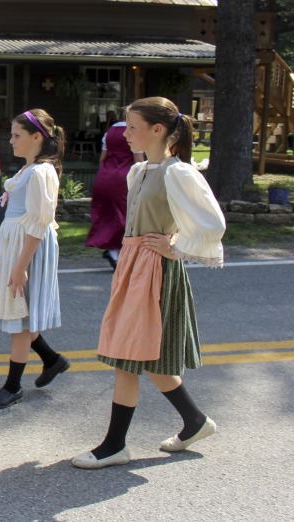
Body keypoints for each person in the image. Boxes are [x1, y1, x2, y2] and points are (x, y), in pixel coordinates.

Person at [72, 96, 226, 469]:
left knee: (128, 355)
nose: (126, 133)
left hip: (155, 269)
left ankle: (115, 445)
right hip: (134, 264)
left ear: (158, 130)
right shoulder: (139, 171)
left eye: (133, 127)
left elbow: (214, 224)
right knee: (144, 354)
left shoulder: (179, 172)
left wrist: (175, 246)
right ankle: (194, 421)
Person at [0, 109, 70, 409]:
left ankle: (13, 386)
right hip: (19, 246)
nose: (11, 141)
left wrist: (21, 267)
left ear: (37, 137)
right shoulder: (28, 170)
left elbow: (38, 223)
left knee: (20, 320)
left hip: (27, 249)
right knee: (21, 313)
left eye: (17, 135)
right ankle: (52, 359)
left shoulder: (41, 172)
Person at [86, 112, 145, 269]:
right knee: (126, 215)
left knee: (109, 215)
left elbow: (102, 159)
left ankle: (113, 250)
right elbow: (139, 161)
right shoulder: (134, 132)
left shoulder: (109, 133)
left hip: (105, 177)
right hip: (124, 178)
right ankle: (117, 252)